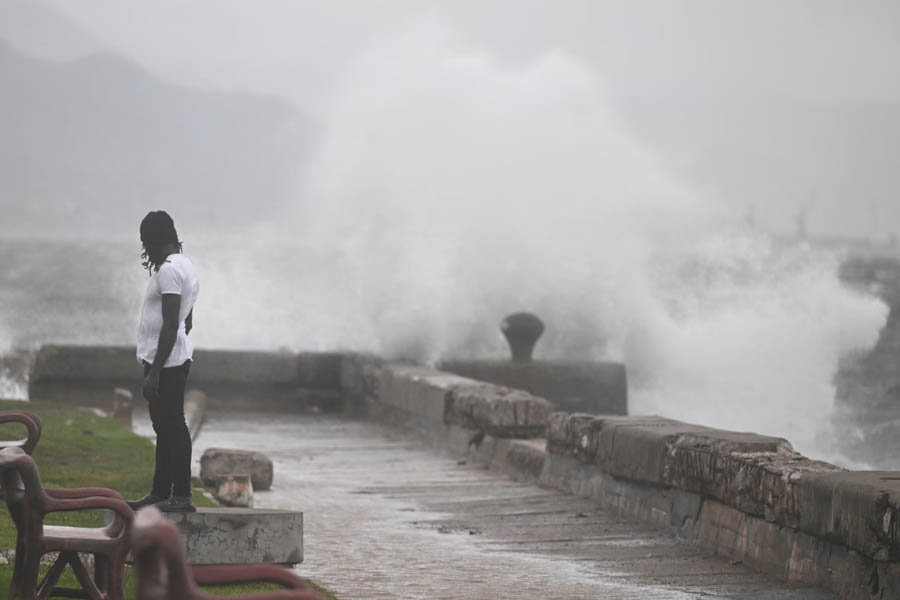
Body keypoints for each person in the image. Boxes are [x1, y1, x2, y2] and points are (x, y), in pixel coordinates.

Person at [127, 211, 200, 512]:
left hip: (166, 362)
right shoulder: (185, 265)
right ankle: (160, 491)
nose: (145, 250)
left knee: (173, 425)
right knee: (165, 425)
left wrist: (154, 372)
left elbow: (172, 323)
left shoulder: (169, 270)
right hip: (173, 357)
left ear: (155, 241)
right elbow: (187, 318)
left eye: (146, 243)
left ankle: (180, 494)